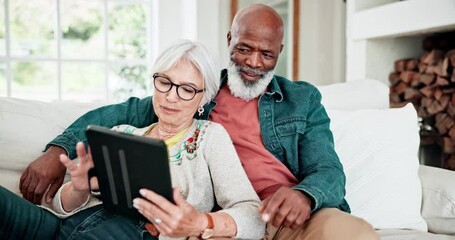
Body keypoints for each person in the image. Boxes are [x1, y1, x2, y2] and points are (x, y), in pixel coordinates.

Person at [20, 4, 379, 240]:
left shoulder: (302, 99)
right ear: (229, 41)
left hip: (284, 217)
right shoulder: (197, 93)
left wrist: (305, 194)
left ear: (279, 53)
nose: (253, 62)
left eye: (266, 53)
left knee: (352, 234)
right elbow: (119, 114)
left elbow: (329, 170)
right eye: (244, 48)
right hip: (218, 223)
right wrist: (58, 151)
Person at [1, 39, 265, 240]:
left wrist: (201, 222)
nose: (171, 96)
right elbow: (62, 209)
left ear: (202, 97)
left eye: (186, 89)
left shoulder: (209, 137)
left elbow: (254, 215)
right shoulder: (124, 133)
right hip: (61, 227)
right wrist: (78, 188)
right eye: (165, 82)